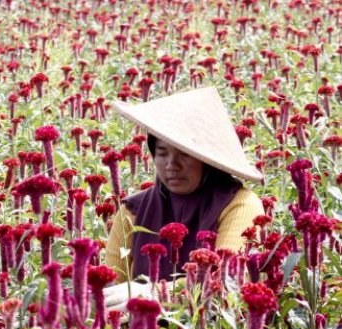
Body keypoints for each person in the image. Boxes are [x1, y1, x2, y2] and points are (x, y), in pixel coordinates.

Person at [102, 86, 266, 311]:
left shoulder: (240, 205)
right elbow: (112, 287)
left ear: (207, 159)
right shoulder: (133, 211)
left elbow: (229, 282)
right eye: (162, 153)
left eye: (185, 154)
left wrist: (155, 293)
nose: (171, 165)